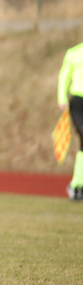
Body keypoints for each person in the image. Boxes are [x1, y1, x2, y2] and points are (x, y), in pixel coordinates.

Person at [57, 35, 83, 200]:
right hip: (78, 101)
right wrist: (62, 97)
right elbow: (64, 75)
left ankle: (78, 185)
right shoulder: (74, 53)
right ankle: (76, 185)